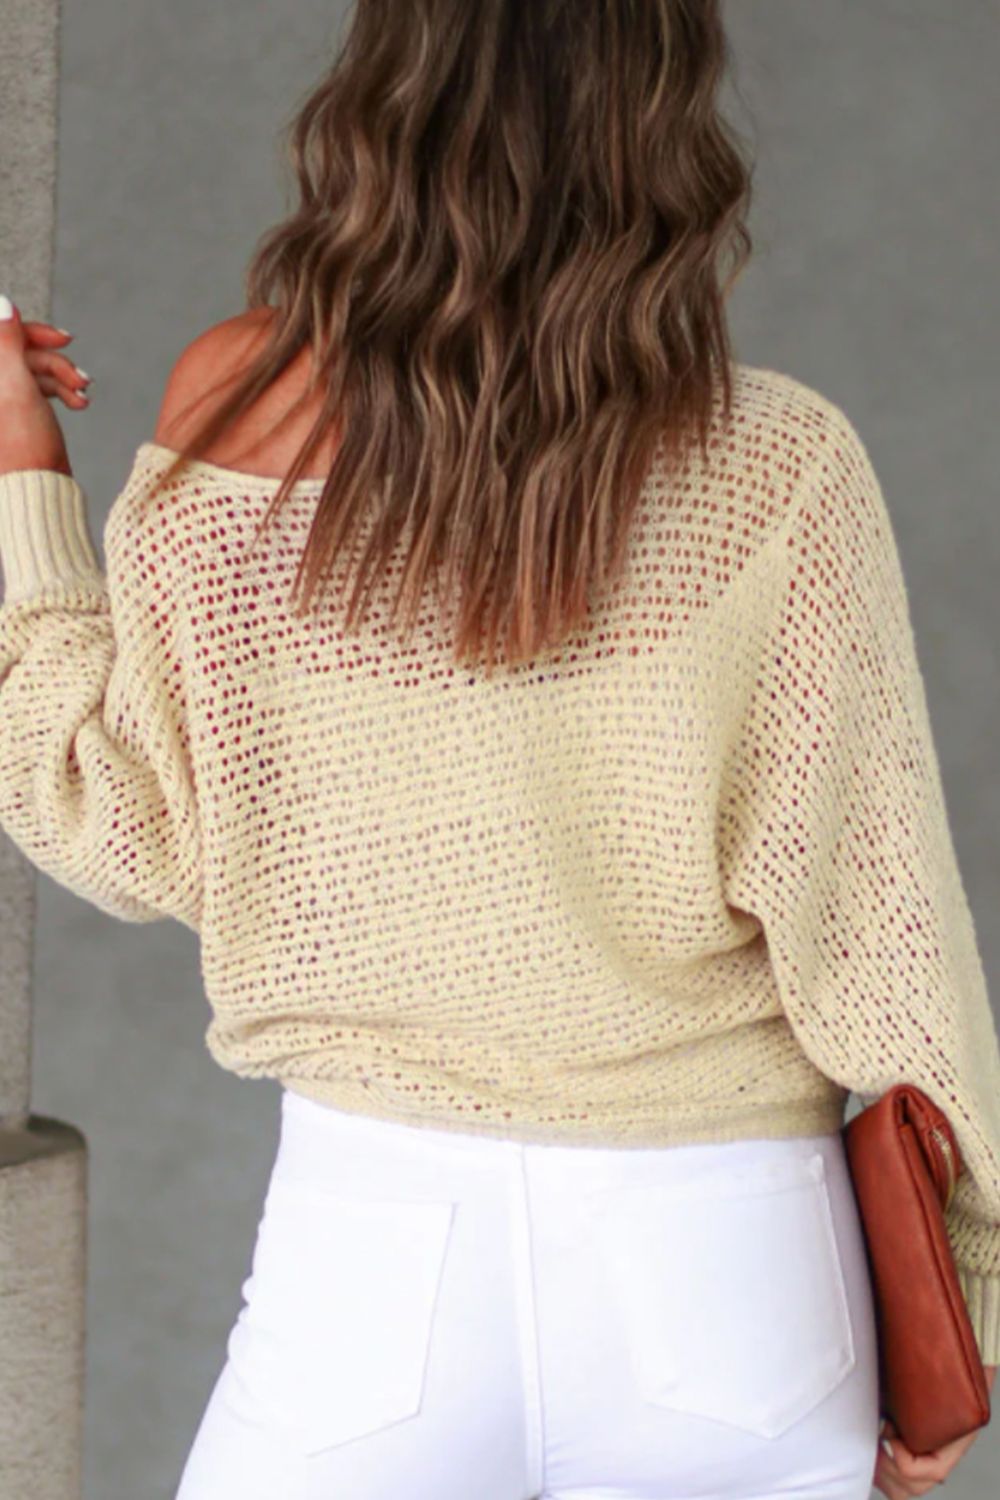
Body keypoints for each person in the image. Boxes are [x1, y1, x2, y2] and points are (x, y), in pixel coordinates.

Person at [0, 3, 997, 1497]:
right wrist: (964, 1307)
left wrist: (21, 477)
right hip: (731, 1280)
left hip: (376, 1260)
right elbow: (883, 935)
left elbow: (114, 819)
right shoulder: (778, 465)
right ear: (663, 119)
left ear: (381, 97)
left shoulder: (241, 404)